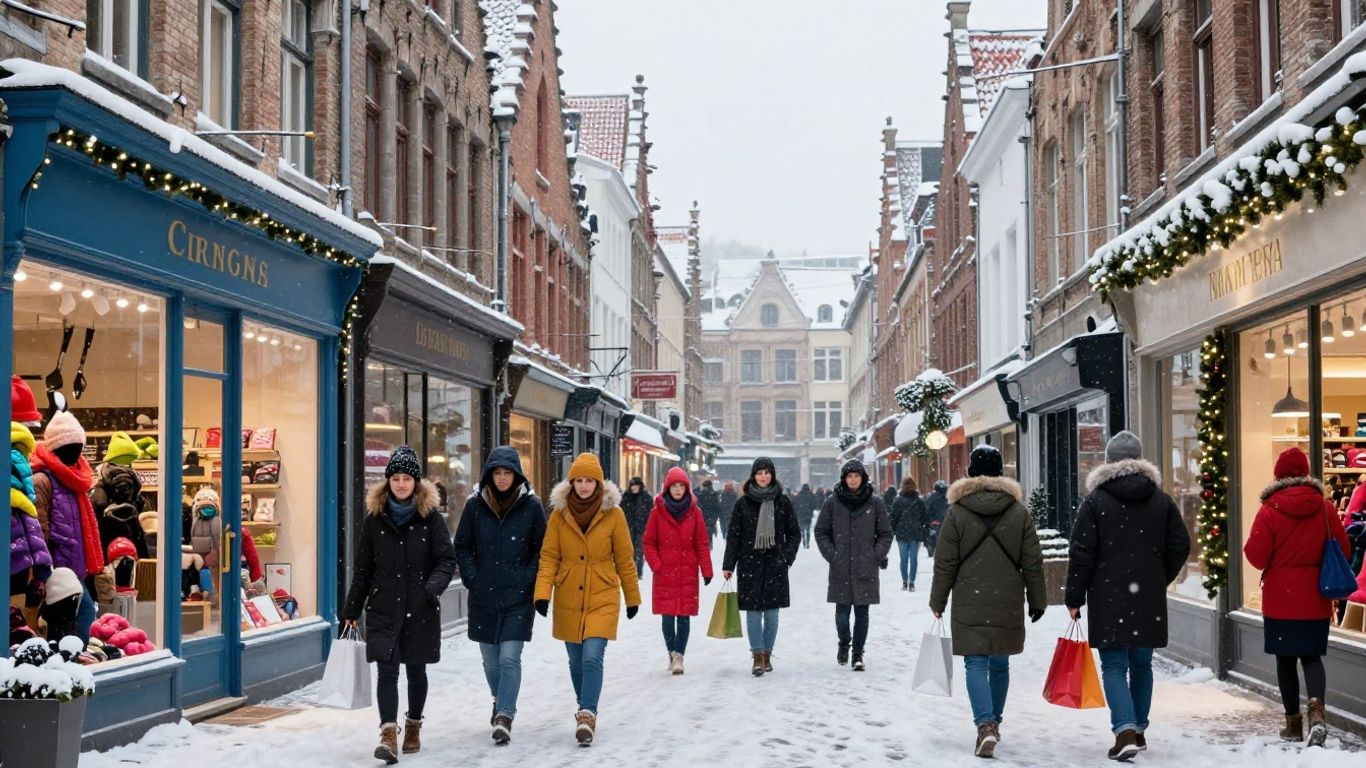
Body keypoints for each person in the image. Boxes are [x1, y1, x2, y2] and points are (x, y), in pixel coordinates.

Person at [1065, 431, 1191, 761]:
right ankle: (1138, 728)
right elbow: (1181, 544)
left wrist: (1074, 597)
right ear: (1139, 459)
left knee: (1114, 665)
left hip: (1108, 595)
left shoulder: (1095, 502)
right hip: (1147, 595)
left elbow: (1081, 553)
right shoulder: (1161, 500)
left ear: (1108, 461)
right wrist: (1159, 576)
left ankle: (1124, 730)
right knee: (1142, 664)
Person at [928, 445, 1046, 759]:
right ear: (1000, 473)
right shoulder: (1018, 511)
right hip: (1007, 596)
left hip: (970, 596)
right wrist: (1037, 599)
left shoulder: (957, 511)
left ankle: (985, 724)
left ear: (970, 472)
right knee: (1000, 662)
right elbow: (1032, 561)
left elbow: (945, 562)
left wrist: (938, 599)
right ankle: (994, 721)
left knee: (976, 662)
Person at [342, 446, 458, 764]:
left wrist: (430, 589)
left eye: (407, 478)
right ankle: (388, 733)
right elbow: (363, 568)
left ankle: (414, 725)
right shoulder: (375, 520)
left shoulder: (430, 518)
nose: (402, 484)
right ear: (388, 481)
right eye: (396, 478)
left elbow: (446, 561)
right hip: (384, 607)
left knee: (416, 671)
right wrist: (352, 610)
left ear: (416, 482)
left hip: (419, 608)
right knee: (387, 672)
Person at [1244, 447, 1350, 748]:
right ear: (1305, 474)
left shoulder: (1269, 509)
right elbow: (1344, 550)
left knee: (1286, 660)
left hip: (1280, 599)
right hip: (1315, 597)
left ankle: (1292, 724)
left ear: (1278, 476)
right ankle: (1316, 711)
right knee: (1312, 658)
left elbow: (1256, 556)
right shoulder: (1326, 508)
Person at [535, 453, 642, 746]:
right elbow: (549, 557)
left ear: (598, 483)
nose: (584, 486)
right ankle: (585, 704)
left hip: (603, 593)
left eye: (589, 481)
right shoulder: (558, 515)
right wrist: (542, 593)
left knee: (593, 655)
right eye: (579, 480)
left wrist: (632, 597)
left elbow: (625, 558)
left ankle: (587, 713)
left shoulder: (614, 514)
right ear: (572, 483)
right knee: (576, 660)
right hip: (569, 593)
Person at [453, 447, 547, 746]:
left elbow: (541, 550)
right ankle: (499, 698)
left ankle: (505, 714)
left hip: (519, 596)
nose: (503, 478)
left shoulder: (531, 506)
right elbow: (463, 545)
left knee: (509, 657)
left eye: (508, 473)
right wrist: (473, 577)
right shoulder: (475, 506)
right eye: (498, 473)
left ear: (516, 475)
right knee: (490, 661)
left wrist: (526, 578)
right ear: (490, 475)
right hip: (484, 595)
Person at [722, 458, 800, 677]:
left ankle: (767, 652)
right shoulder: (742, 503)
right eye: (759, 472)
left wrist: (786, 557)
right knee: (754, 613)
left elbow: (794, 533)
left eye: (767, 472)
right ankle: (757, 655)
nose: (763, 476)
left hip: (775, 563)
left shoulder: (782, 502)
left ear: (772, 475)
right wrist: (729, 564)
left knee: (772, 614)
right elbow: (734, 537)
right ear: (753, 475)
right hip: (750, 563)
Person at [815, 459, 893, 671]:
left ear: (863, 478)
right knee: (842, 613)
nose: (853, 480)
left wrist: (875, 555)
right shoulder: (833, 502)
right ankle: (843, 643)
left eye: (857, 476)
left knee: (862, 613)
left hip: (865, 566)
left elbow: (886, 533)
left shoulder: (874, 502)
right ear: (844, 479)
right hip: (840, 566)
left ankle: (858, 653)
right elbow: (821, 531)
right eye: (850, 476)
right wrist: (833, 555)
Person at [644, 467, 714, 675]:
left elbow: (702, 543)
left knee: (683, 617)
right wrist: (657, 565)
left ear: (686, 488)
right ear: (668, 488)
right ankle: (671, 651)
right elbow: (649, 543)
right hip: (665, 572)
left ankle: (679, 656)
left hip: (687, 572)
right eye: (674, 486)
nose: (677, 489)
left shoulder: (695, 513)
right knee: (667, 617)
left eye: (681, 486)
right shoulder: (657, 512)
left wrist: (706, 570)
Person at [889, 476, 930, 591]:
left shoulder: (898, 500)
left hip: (902, 533)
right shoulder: (919, 500)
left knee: (903, 558)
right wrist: (925, 529)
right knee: (913, 558)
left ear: (902, 486)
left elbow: (893, 518)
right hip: (915, 533)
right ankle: (911, 581)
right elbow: (925, 517)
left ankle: (904, 581)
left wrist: (891, 531)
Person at [620, 477, 653, 577]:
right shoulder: (626, 497)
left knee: (639, 550)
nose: (634, 488)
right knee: (629, 550)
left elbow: (650, 513)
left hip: (641, 528)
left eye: (636, 485)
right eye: (632, 485)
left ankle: (638, 572)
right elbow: (622, 511)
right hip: (629, 527)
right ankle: (630, 570)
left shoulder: (646, 498)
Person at [925, 480, 949, 557]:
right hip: (946, 520)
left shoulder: (932, 497)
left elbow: (927, 509)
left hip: (934, 521)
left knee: (932, 535)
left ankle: (931, 548)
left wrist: (930, 520)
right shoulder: (948, 496)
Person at [697, 479, 722, 546]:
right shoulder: (714, 494)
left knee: (703, 533)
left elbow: (698, 505)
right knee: (709, 533)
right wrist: (716, 516)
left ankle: (706, 545)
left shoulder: (701, 494)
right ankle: (709, 545)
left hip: (704, 516)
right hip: (711, 517)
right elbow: (718, 507)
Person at [795, 483, 817, 549]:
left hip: (801, 515)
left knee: (802, 529)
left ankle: (804, 541)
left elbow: (795, 504)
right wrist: (811, 510)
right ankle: (807, 542)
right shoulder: (811, 495)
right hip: (808, 515)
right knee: (808, 529)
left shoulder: (799, 495)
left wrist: (797, 512)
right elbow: (814, 504)